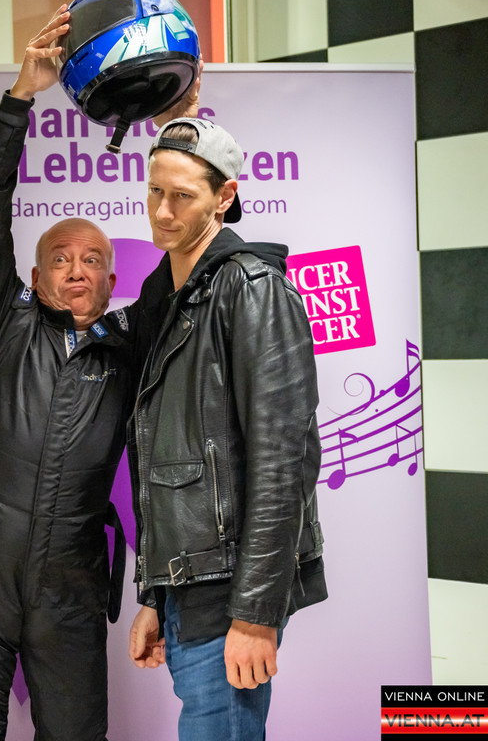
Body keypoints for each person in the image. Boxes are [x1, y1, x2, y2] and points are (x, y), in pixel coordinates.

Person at [0, 5, 183, 741]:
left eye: (92, 260)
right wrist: (20, 99)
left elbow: (185, 255)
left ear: (112, 281)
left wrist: (177, 131)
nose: (76, 269)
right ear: (35, 279)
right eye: (60, 259)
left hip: (69, 593)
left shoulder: (131, 345)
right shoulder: (3, 323)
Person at [127, 114, 328, 740]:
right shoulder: (167, 298)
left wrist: (256, 614)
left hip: (232, 595)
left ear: (225, 197)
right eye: (155, 190)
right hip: (191, 589)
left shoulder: (253, 288)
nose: (163, 210)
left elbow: (284, 461)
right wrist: (156, 595)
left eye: (182, 196)